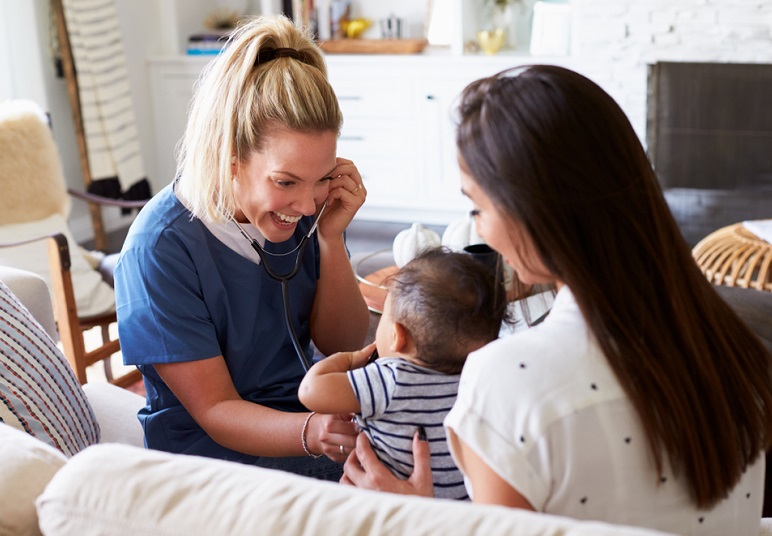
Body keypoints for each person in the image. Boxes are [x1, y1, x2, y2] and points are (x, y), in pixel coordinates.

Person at [341, 64, 772, 535]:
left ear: (529, 211)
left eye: (477, 207)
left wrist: (420, 516)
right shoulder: (735, 348)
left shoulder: (504, 380)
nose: (479, 229)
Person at [114, 15, 370, 481]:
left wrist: (331, 242)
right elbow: (215, 411)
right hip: (210, 455)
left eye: (319, 180)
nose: (306, 202)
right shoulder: (160, 248)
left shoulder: (309, 211)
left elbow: (345, 342)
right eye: (286, 181)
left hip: (303, 415)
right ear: (228, 155)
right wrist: (315, 432)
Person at [298, 247, 509, 500]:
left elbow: (310, 391)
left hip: (386, 505)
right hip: (460, 509)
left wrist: (350, 358)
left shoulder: (392, 379)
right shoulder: (479, 382)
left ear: (398, 336)